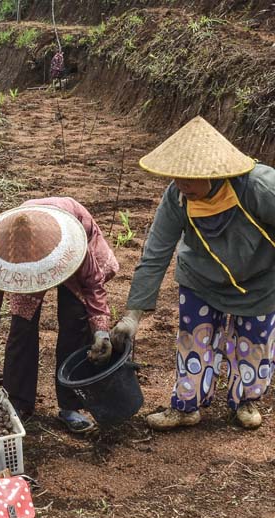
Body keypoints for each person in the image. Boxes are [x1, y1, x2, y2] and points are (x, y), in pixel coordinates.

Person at [110, 116, 275, 431]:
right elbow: (156, 252)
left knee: (254, 345)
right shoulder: (177, 197)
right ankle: (186, 406)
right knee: (194, 340)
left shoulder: (260, 187)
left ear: (213, 173)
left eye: (187, 178)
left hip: (260, 280)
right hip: (200, 279)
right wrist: (133, 315)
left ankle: (246, 400)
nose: (179, 184)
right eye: (175, 177)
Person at [0, 199, 118, 433]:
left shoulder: (73, 244)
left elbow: (93, 285)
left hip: (67, 252)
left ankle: (71, 405)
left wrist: (101, 331)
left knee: (76, 318)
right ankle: (19, 403)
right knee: (22, 326)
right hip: (25, 251)